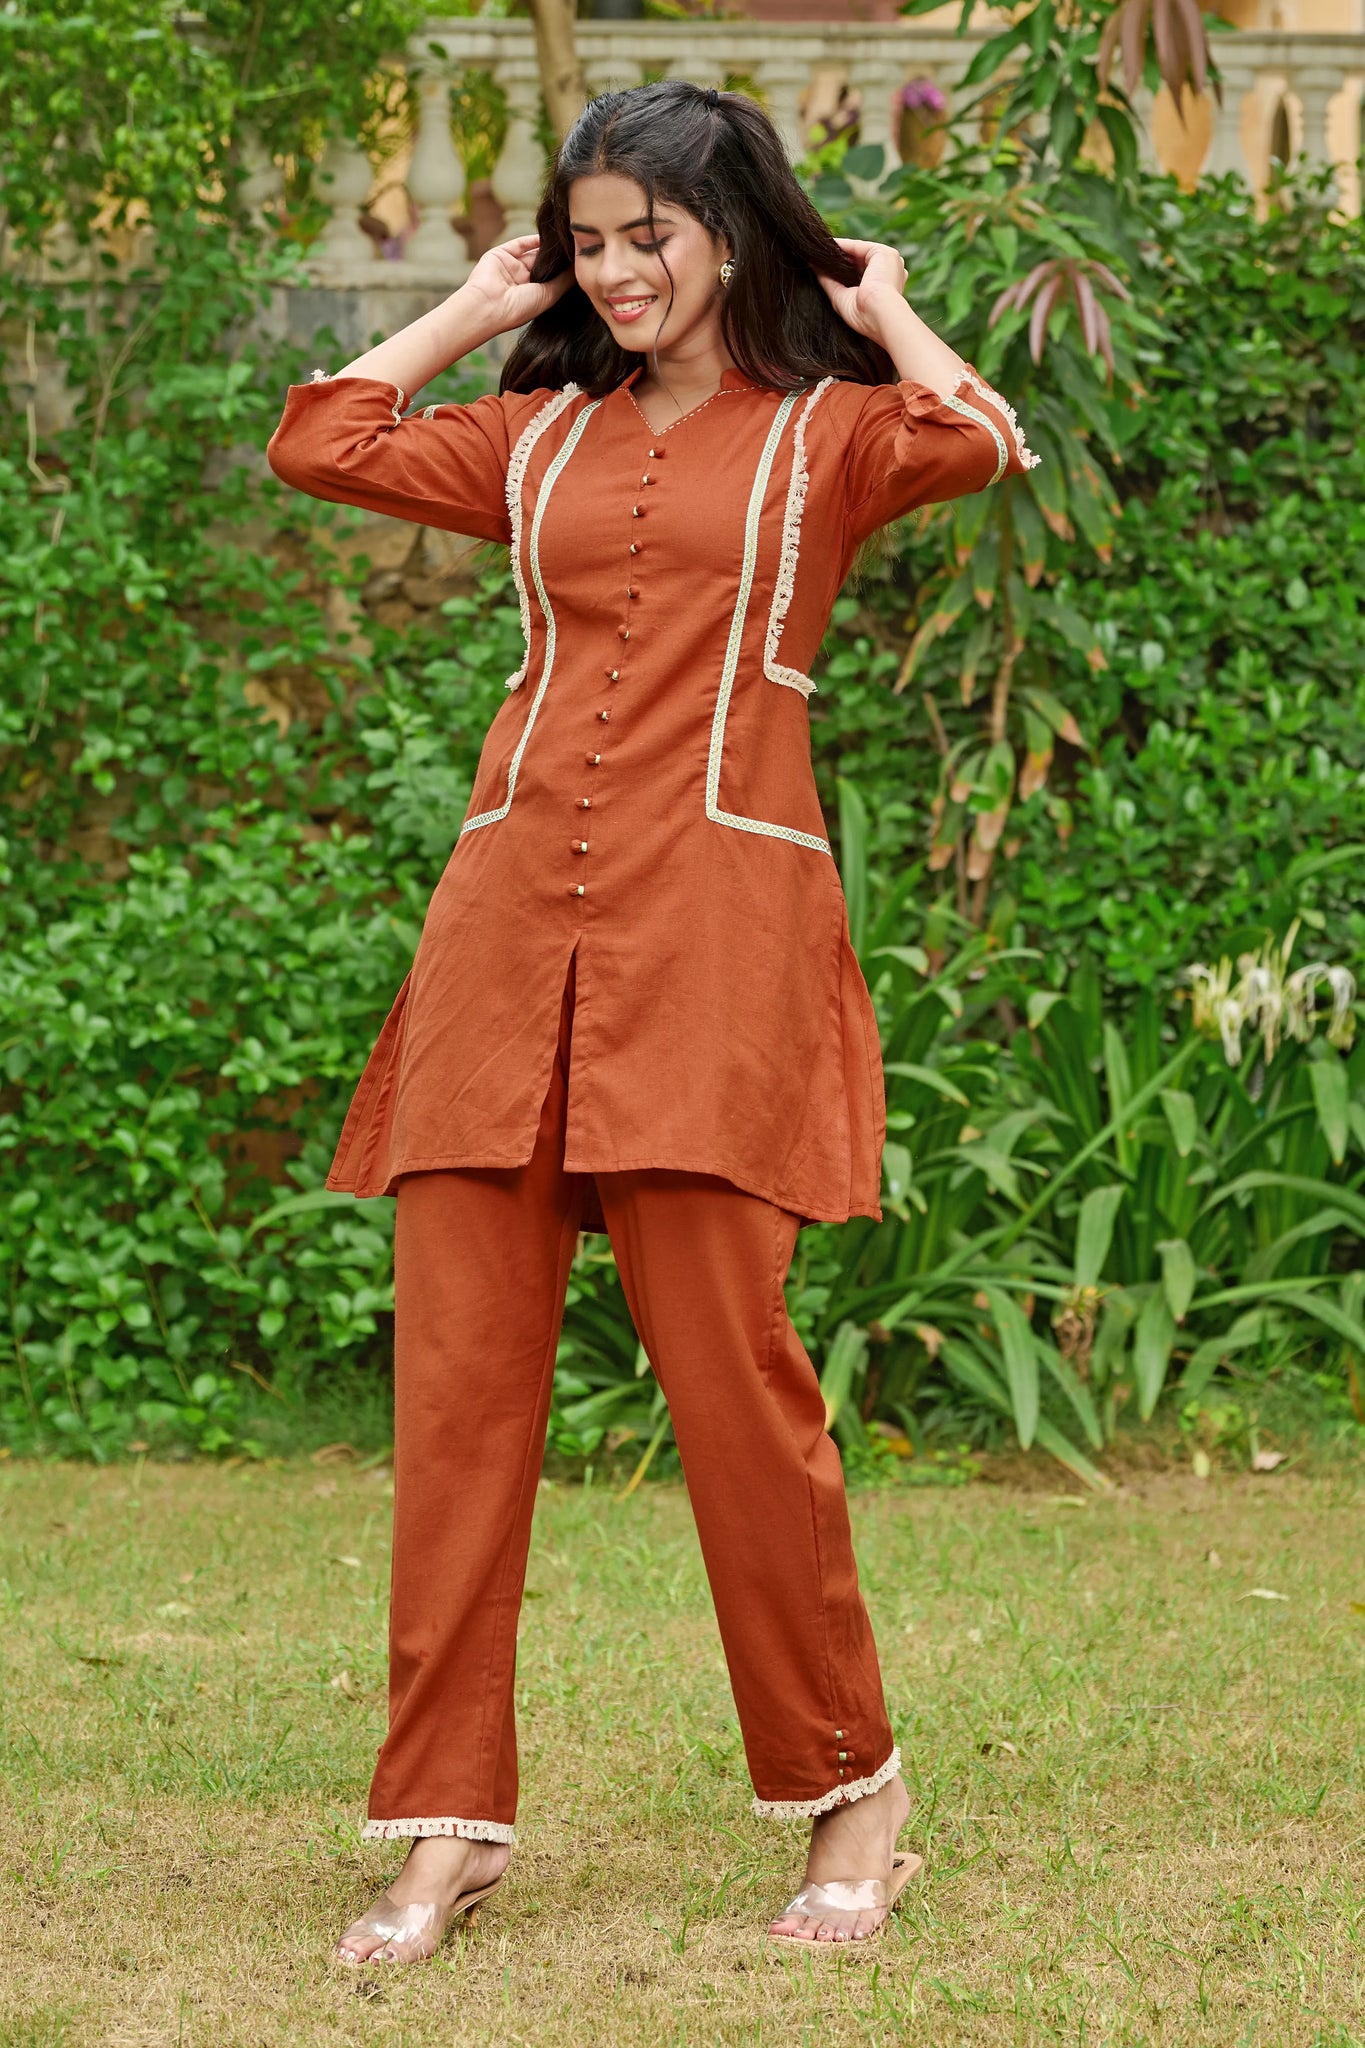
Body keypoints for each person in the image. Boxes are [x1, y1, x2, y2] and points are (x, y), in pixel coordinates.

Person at [266, 77, 1036, 1965]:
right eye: (589, 243)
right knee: (457, 1401)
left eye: (649, 239)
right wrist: (473, 305)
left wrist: (876, 301)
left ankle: (854, 1793)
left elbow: (977, 436)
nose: (615, 273)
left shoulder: (829, 438)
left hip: (715, 953)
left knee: (735, 1391)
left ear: (729, 234)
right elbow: (321, 439)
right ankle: (444, 1828)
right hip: (500, 950)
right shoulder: (534, 435)